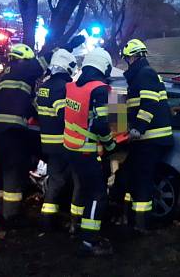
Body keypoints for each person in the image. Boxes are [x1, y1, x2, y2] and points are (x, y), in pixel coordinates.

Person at [0, 37, 84, 226]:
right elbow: (44, 59)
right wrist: (68, 45)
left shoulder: (6, 75)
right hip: (13, 132)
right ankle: (11, 216)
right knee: (13, 174)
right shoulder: (25, 69)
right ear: (24, 58)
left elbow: (27, 102)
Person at [63, 47, 117, 256]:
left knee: (85, 190)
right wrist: (112, 145)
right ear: (104, 66)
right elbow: (102, 125)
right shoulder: (100, 89)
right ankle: (89, 240)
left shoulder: (72, 86)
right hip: (86, 150)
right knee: (98, 194)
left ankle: (79, 228)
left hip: (71, 148)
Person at [119, 39, 173, 233]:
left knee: (142, 180)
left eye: (127, 58)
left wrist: (138, 129)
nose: (127, 62)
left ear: (132, 56)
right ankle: (130, 219)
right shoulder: (144, 74)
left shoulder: (144, 74)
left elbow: (148, 105)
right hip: (147, 139)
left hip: (150, 139)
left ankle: (142, 224)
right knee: (131, 176)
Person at [36, 49, 83, 233]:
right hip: (64, 142)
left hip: (48, 144)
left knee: (55, 181)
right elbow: (65, 115)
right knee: (76, 181)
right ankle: (75, 222)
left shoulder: (45, 87)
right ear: (67, 66)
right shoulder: (63, 88)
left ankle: (47, 221)